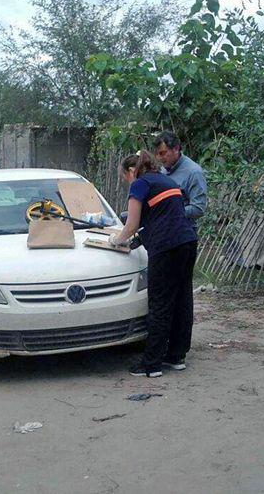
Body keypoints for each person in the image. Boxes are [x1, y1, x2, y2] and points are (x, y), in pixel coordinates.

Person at [108, 151, 198, 377]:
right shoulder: (167, 180)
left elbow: (131, 225)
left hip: (166, 248)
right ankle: (176, 356)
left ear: (131, 170)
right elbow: (161, 219)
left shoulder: (140, 184)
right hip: (187, 243)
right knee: (181, 300)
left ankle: (151, 364)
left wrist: (117, 240)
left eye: (125, 177)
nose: (127, 182)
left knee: (159, 303)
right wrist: (137, 242)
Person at [152, 131, 208, 229]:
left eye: (162, 153)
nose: (159, 158)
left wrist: (170, 213)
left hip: (183, 233)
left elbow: (198, 208)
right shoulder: (162, 170)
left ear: (176, 149)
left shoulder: (194, 172)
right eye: (156, 154)